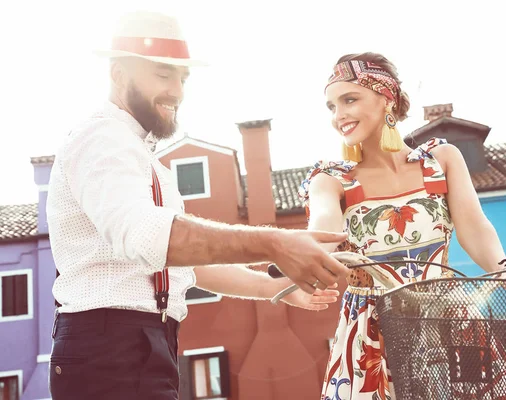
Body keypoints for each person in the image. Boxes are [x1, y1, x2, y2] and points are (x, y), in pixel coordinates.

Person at [46, 11, 349, 400]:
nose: (177, 90)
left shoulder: (145, 158)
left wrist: (276, 288)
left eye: (182, 78)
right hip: (108, 346)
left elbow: (182, 263)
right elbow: (149, 237)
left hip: (146, 344)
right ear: (119, 74)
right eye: (162, 74)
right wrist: (277, 244)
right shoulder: (101, 140)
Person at [298, 52, 506, 399]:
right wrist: (302, 255)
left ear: (387, 98)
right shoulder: (332, 179)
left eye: (349, 100)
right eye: (332, 107)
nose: (339, 116)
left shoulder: (440, 160)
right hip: (373, 328)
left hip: (451, 321)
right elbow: (322, 226)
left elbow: (474, 226)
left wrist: (504, 268)